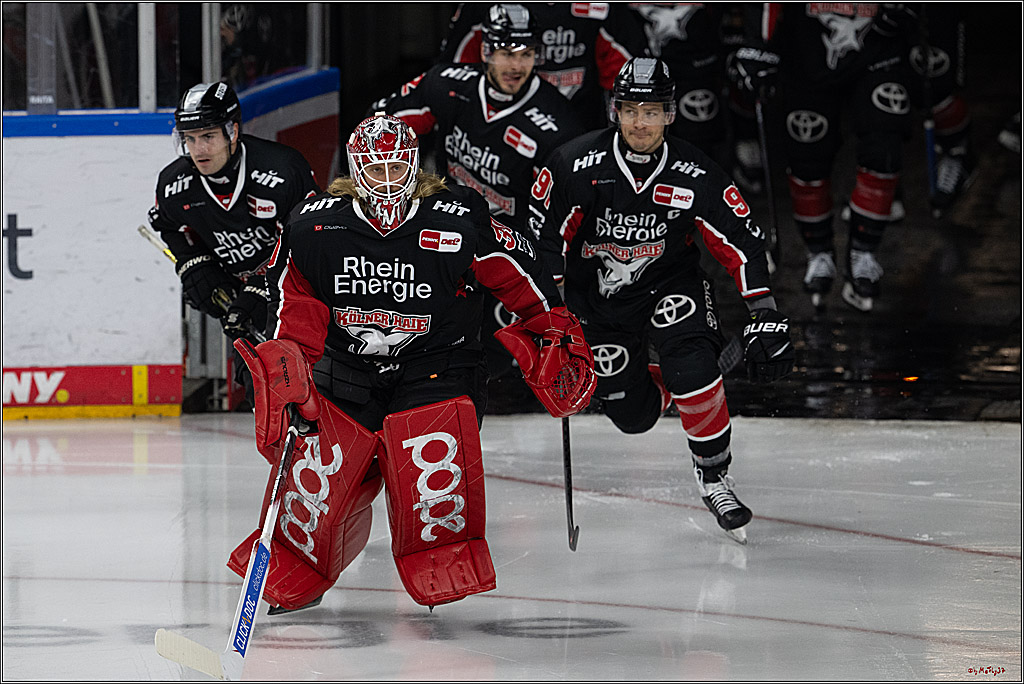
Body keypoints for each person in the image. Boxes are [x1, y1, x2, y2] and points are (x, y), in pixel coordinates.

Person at [224, 113, 596, 612]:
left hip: (437, 367)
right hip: (345, 369)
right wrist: (289, 373)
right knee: (321, 482)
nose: (384, 184)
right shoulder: (314, 227)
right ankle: (299, 562)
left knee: (428, 472)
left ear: (415, 168)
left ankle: (439, 561)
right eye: (373, 172)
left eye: (395, 170)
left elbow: (520, 276)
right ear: (355, 171)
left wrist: (554, 333)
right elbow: (295, 306)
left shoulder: (458, 220)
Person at [531, 57, 795, 543]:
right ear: (615, 110)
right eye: (631, 109)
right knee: (634, 418)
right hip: (599, 302)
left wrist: (765, 310)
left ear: (670, 114)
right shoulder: (573, 165)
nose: (640, 122)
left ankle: (714, 475)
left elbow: (740, 241)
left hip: (671, 288)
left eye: (651, 111)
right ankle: (674, 383)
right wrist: (550, 316)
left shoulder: (696, 172)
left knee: (693, 367)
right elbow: (546, 243)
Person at [373, 4, 587, 387]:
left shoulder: (558, 126)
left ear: (538, 54)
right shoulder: (448, 84)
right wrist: (403, 185)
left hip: (509, 245)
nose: (515, 65)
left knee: (495, 355)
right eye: (505, 53)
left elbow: (558, 215)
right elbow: (379, 127)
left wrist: (552, 274)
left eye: (524, 54)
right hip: (444, 225)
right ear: (486, 50)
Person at [731, 4, 915, 312]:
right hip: (806, 52)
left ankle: (863, 253)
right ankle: (818, 253)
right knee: (807, 156)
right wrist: (758, 44)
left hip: (878, 48)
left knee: (885, 139)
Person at [148, 81, 320, 403]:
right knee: (261, 390)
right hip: (244, 303)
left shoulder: (283, 171)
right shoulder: (175, 185)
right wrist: (193, 263)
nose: (199, 150)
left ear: (233, 131)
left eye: (209, 137)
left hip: (298, 295)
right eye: (190, 139)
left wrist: (262, 285)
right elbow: (170, 227)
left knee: (316, 383)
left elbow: (312, 240)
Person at [437, 2, 647, 131]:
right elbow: (453, 76)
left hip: (579, 132)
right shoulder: (484, 7)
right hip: (495, 133)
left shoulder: (602, 8)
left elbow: (635, 80)